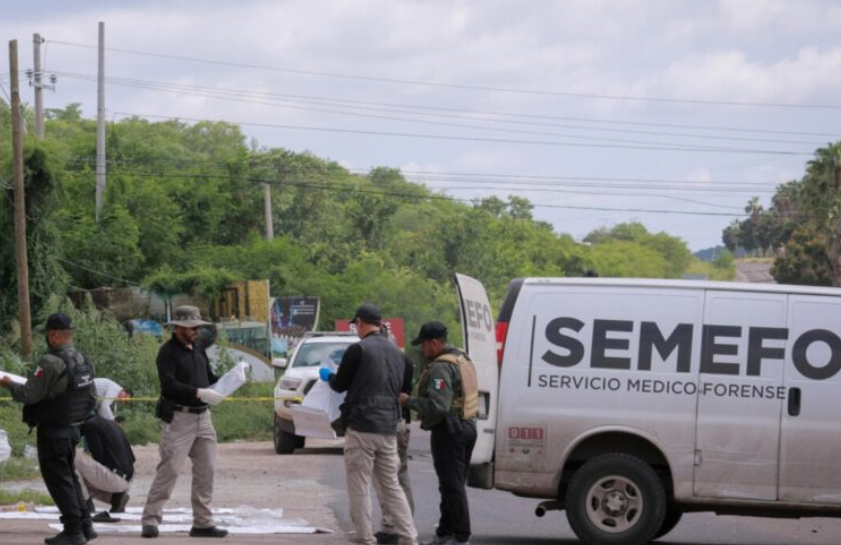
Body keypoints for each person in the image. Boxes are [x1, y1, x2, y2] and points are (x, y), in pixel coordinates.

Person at [320, 303, 418, 545]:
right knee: (391, 487)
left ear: (361, 322)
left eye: (355, 325)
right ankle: (409, 538)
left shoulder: (358, 350)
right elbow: (404, 389)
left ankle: (364, 538)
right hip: (388, 428)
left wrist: (328, 376)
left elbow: (340, 385)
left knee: (359, 484)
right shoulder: (400, 355)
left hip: (361, 427)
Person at [0, 313, 97, 545]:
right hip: (74, 427)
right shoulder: (83, 359)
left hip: (53, 430)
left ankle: (73, 530)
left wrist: (7, 383)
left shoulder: (50, 362)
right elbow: (91, 397)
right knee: (69, 477)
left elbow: (28, 395)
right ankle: (85, 524)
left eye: (47, 335)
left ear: (54, 336)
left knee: (58, 479)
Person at [140, 305, 227, 539]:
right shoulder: (167, 353)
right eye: (191, 327)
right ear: (178, 327)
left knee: (206, 471)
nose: (196, 330)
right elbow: (169, 385)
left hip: (204, 418)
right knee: (169, 470)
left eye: (197, 326)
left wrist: (226, 382)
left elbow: (208, 378)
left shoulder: (198, 349)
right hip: (180, 418)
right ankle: (150, 518)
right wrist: (199, 392)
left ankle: (202, 522)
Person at [399, 321, 479, 545]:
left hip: (449, 430)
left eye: (423, 345)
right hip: (468, 426)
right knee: (451, 483)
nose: (422, 350)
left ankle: (462, 536)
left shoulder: (440, 367)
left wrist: (409, 401)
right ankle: (445, 532)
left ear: (434, 343)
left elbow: (438, 406)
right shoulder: (462, 358)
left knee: (452, 486)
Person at [374, 325, 415, 545]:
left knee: (385, 477)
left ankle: (390, 527)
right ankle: (407, 522)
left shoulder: (374, 359)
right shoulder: (405, 360)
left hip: (384, 422)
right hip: (403, 422)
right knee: (402, 473)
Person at [76, 413, 135, 521]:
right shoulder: (111, 424)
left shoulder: (91, 425)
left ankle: (84, 503)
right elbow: (133, 458)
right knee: (80, 478)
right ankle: (115, 499)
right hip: (127, 479)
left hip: (115, 478)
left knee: (72, 458)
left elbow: (99, 456)